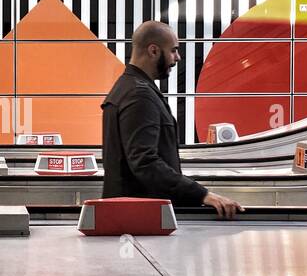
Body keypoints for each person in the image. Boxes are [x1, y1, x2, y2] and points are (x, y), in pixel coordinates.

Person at [101, 21, 242, 218]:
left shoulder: (127, 88)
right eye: (174, 50)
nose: (178, 58)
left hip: (131, 214)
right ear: (153, 51)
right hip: (140, 218)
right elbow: (145, 162)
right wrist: (202, 195)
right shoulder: (139, 94)